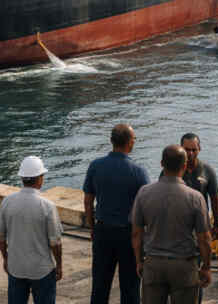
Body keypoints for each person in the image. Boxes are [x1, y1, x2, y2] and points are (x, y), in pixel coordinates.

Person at [131, 144, 211, 304]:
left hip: (153, 265)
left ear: (162, 163)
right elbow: (204, 238)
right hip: (184, 266)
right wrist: (206, 267)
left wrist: (139, 261)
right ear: (185, 165)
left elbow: (136, 233)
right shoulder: (195, 197)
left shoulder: (144, 193)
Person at [84, 123, 151, 304]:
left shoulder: (95, 166)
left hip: (103, 231)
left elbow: (88, 202)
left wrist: (92, 227)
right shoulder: (139, 172)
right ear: (129, 143)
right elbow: (146, 207)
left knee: (100, 285)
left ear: (111, 141)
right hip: (128, 235)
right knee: (130, 287)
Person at [0, 156, 64, 304]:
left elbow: (1, 238)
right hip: (42, 270)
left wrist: (6, 259)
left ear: (22, 178)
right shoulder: (47, 206)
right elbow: (55, 242)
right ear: (40, 179)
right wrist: (59, 265)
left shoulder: (7, 202)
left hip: (16, 268)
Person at [176, 133, 218, 240]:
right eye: (186, 149)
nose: (190, 153)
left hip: (201, 224)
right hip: (178, 224)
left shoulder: (208, 171)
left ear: (199, 149)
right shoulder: (172, 169)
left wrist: (216, 226)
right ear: (180, 149)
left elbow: (214, 200)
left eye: (194, 150)